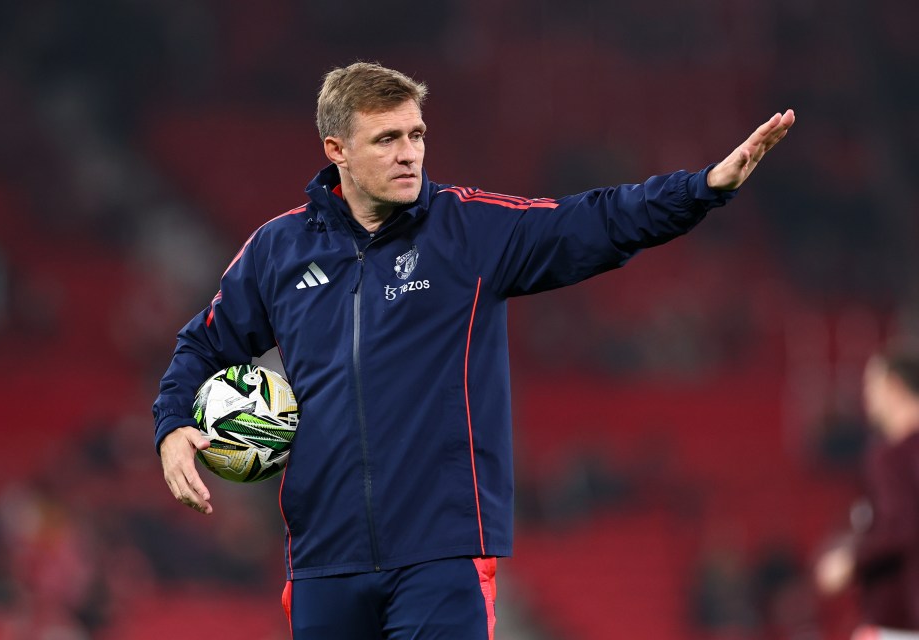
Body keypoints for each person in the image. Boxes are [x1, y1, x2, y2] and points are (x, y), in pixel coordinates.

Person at [153, 61, 795, 639]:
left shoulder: (467, 230)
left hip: (443, 553)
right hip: (325, 558)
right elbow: (201, 343)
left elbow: (593, 220)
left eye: (417, 135)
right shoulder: (279, 250)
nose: (410, 154)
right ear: (337, 150)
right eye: (387, 139)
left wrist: (703, 187)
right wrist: (173, 426)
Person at [815, 348, 919, 638]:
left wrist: (849, 561)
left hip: (902, 619)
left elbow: (901, 527)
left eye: (870, 384)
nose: (866, 395)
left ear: (894, 387)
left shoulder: (891, 457)